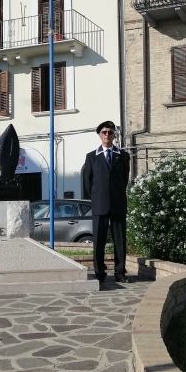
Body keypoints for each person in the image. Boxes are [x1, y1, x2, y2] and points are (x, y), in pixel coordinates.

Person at [81, 121, 130, 286]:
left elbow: (124, 179)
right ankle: (99, 272)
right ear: (99, 135)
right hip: (99, 204)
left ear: (114, 135)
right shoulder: (91, 157)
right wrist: (96, 197)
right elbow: (87, 182)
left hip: (118, 204)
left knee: (120, 240)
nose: (107, 135)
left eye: (110, 132)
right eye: (104, 132)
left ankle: (120, 272)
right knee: (99, 241)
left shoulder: (123, 156)